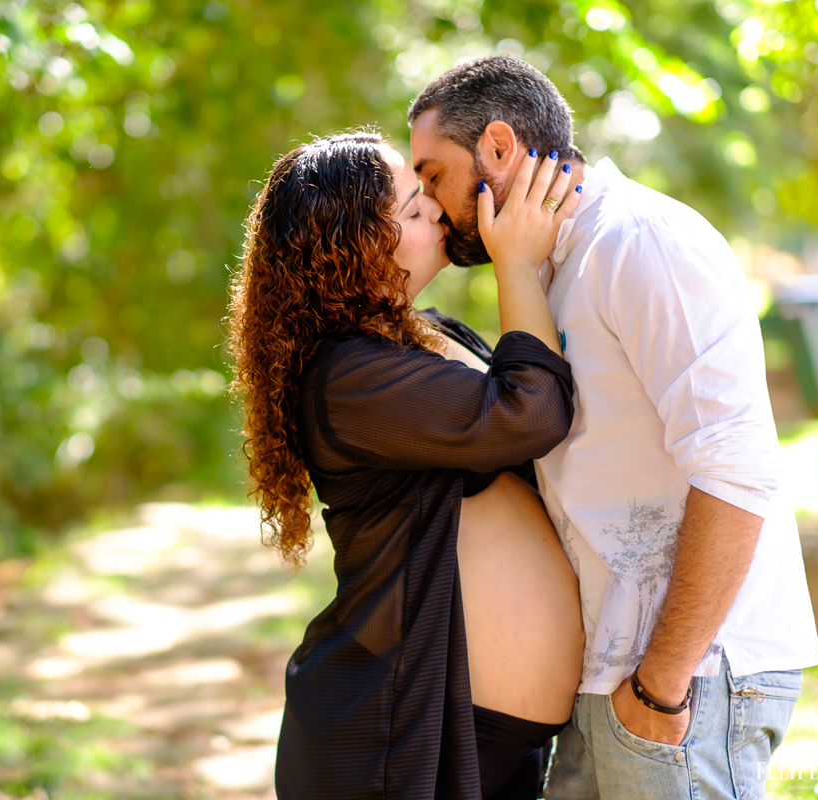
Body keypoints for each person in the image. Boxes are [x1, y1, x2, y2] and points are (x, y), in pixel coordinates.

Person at [408, 55, 818, 800]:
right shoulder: (544, 271)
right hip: (608, 680)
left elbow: (738, 466)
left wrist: (662, 683)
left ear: (498, 148)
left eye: (433, 175)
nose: (430, 204)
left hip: (690, 679)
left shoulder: (641, 241)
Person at [227, 130, 585, 798]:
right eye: (414, 209)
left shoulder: (422, 335)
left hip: (472, 731)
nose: (438, 213)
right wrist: (516, 262)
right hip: (391, 735)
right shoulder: (348, 377)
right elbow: (531, 413)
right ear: (356, 248)